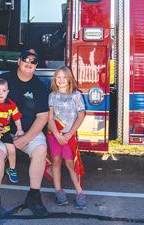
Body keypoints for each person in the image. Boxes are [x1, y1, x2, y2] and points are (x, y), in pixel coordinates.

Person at [0, 48, 50, 219]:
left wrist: (26, 138)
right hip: (4, 132)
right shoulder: (4, 79)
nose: (29, 63)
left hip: (29, 133)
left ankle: (34, 196)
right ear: (19, 61)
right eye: (25, 59)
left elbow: (43, 117)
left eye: (33, 61)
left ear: (36, 66)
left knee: (40, 150)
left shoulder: (40, 87)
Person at [46, 66, 86, 209]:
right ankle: (59, 191)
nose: (61, 80)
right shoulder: (52, 95)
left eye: (64, 77)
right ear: (55, 79)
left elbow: (81, 115)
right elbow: (50, 118)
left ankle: (80, 193)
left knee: (70, 164)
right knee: (55, 161)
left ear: (70, 79)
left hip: (69, 136)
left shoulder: (76, 95)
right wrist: (56, 134)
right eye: (58, 77)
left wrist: (69, 134)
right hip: (54, 135)